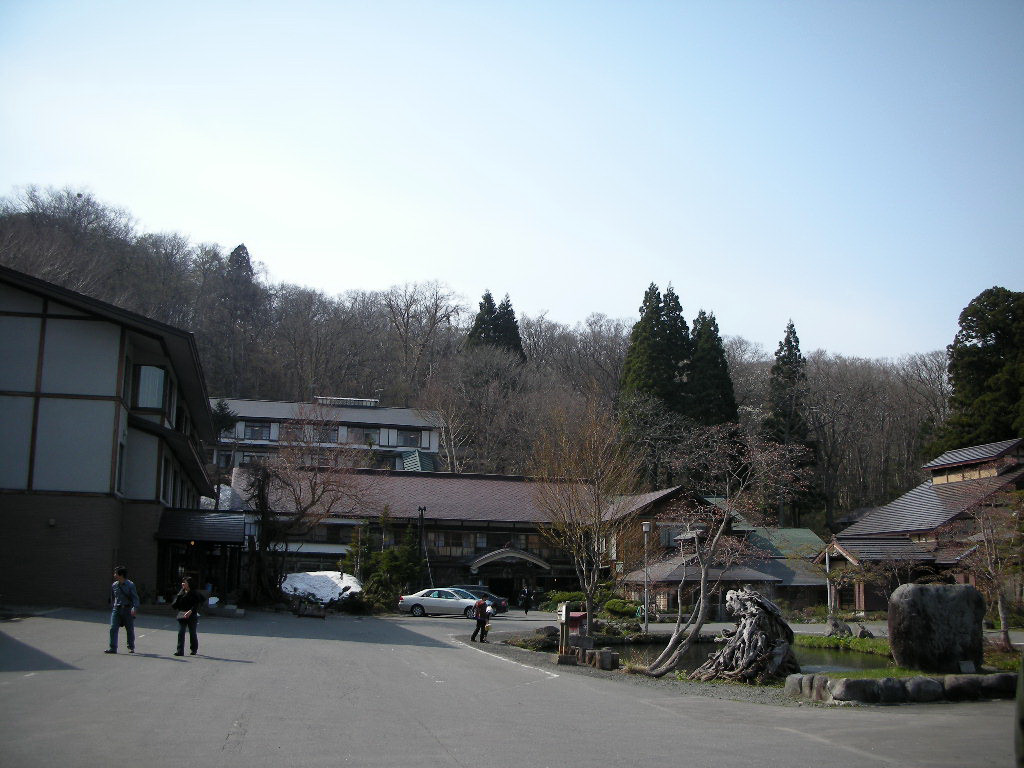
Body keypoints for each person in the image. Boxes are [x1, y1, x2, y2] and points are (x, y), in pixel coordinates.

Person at [106, 566, 140, 654]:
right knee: (113, 628)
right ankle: (113, 648)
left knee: (129, 629)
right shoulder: (114, 585)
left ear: (121, 575)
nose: (114, 575)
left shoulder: (130, 585)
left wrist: (135, 608)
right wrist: (112, 605)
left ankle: (131, 647)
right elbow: (113, 597)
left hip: (127, 609)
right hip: (117, 609)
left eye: (116, 573)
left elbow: (135, 598)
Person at [171, 576, 204, 656]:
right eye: (182, 582)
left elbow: (197, 604)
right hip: (182, 614)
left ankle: (194, 649)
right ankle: (180, 651)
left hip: (192, 615)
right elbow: (175, 604)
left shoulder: (194, 593)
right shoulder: (181, 592)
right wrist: (178, 596)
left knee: (192, 632)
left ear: (189, 584)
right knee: (181, 632)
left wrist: (191, 611)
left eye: (184, 582)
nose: (182, 584)